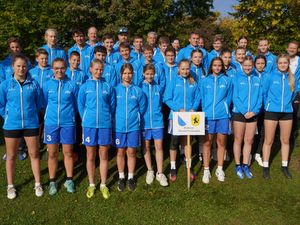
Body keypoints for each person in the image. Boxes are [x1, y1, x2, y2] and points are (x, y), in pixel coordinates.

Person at [0, 54, 43, 199]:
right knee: (11, 155)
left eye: (24, 66)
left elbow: (39, 103)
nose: (21, 69)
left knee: (34, 154)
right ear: (13, 66)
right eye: (18, 66)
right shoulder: (6, 84)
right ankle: (10, 186)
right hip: (12, 125)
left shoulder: (34, 83)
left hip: (31, 123)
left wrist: (32, 115)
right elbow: (1, 104)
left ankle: (38, 183)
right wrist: (8, 116)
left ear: (27, 67)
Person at [78, 59, 115, 199]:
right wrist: (86, 118)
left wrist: (107, 117)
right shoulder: (85, 86)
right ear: (91, 69)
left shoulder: (108, 86)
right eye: (96, 69)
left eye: (101, 69)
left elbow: (111, 105)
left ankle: (103, 184)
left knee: (104, 155)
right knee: (90, 155)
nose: (99, 72)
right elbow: (80, 105)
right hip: (89, 125)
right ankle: (92, 184)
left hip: (105, 125)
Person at [43, 58, 78, 195]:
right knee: (52, 153)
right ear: (52, 69)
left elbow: (76, 105)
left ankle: (69, 180)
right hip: (51, 123)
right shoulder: (47, 85)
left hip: (68, 123)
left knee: (68, 152)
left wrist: (69, 115)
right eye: (56, 68)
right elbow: (44, 102)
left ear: (66, 68)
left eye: (62, 68)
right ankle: (52, 181)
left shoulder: (72, 85)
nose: (59, 70)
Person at [164, 59, 201, 181]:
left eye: (187, 68)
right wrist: (177, 109)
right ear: (178, 69)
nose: (185, 71)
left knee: (187, 142)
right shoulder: (173, 81)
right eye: (183, 68)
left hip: (189, 116)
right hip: (176, 116)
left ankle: (189, 166)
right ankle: (173, 167)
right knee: (174, 142)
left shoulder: (193, 82)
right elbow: (167, 99)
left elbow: (197, 98)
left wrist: (193, 108)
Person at [262, 54, 297, 179]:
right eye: (280, 63)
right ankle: (265, 166)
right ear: (277, 64)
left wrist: (287, 104)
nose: (283, 65)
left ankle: (284, 166)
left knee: (285, 140)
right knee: (269, 140)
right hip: (271, 111)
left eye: (285, 63)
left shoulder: (292, 78)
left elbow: (293, 95)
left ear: (288, 64)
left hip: (287, 112)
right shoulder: (270, 76)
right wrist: (269, 105)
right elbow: (264, 92)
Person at [114, 63, 147, 192]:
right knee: (121, 151)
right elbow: (112, 107)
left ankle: (131, 177)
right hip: (119, 127)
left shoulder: (138, 90)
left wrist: (136, 117)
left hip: (133, 126)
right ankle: (122, 176)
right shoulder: (115, 90)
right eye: (125, 73)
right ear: (121, 74)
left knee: (132, 152)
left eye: (130, 73)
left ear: (133, 74)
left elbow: (142, 107)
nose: (127, 76)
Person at [200, 57, 232, 184]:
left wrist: (223, 108)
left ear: (222, 67)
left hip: (223, 116)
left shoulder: (227, 80)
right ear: (211, 67)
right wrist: (206, 110)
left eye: (219, 65)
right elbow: (202, 97)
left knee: (221, 143)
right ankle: (206, 170)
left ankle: (220, 168)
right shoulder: (205, 81)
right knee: (207, 143)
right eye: (215, 65)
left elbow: (229, 98)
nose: (217, 67)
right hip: (208, 117)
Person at [232, 56, 262, 179]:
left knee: (249, 140)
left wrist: (254, 111)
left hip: (253, 114)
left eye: (250, 65)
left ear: (253, 66)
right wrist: (244, 111)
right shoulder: (236, 78)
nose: (248, 67)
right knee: (238, 139)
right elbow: (235, 97)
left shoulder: (257, 79)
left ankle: (245, 164)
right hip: (239, 113)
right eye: (245, 65)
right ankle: (238, 165)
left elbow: (260, 97)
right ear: (242, 65)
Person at [140, 64, 168, 187]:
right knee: (146, 146)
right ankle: (150, 170)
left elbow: (165, 100)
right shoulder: (139, 87)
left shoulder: (158, 87)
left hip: (157, 121)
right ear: (143, 74)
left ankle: (160, 172)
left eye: (152, 74)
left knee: (159, 146)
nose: (150, 76)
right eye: (147, 74)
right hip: (144, 122)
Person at [252, 55, 267, 167]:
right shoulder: (251, 75)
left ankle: (257, 153)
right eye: (258, 63)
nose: (260, 65)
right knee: (251, 133)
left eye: (262, 63)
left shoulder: (268, 76)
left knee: (262, 132)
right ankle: (248, 153)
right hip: (252, 109)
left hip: (265, 109)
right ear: (254, 64)